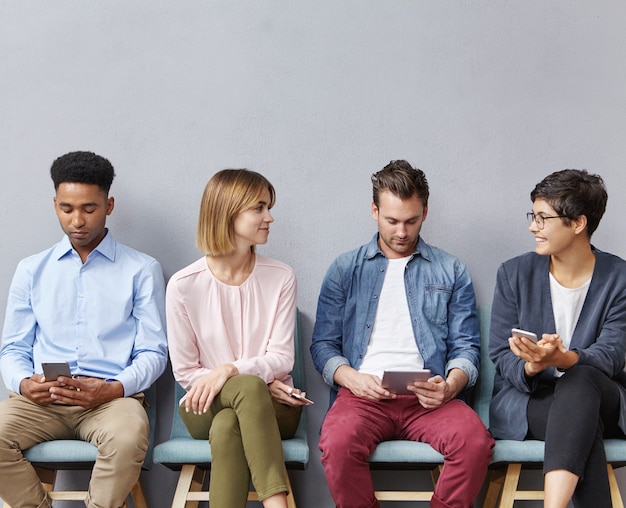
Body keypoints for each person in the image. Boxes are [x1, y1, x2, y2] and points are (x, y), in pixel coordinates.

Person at [310, 160, 494, 508]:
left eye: (411, 221)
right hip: (363, 397)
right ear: (374, 210)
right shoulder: (345, 269)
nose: (401, 232)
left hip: (430, 399)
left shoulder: (451, 270)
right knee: (336, 443)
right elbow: (322, 345)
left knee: (475, 442)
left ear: (425, 211)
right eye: (392, 220)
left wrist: (450, 385)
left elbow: (467, 348)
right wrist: (351, 378)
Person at [0, 151, 168, 508]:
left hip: (111, 401)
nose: (77, 220)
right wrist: (22, 383)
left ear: (109, 205)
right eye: (66, 208)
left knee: (126, 438)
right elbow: (12, 348)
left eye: (89, 209)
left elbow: (154, 352)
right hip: (42, 401)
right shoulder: (31, 270)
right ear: (55, 204)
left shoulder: (141, 269)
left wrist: (112, 389)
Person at [166, 168, 307, 508]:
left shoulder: (281, 277)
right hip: (203, 404)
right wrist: (254, 379)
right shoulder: (183, 285)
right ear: (228, 212)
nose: (269, 217)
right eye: (258, 208)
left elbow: (283, 358)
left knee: (230, 422)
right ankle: (277, 503)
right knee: (246, 390)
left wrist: (227, 370)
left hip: (276, 408)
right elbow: (186, 372)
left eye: (268, 207)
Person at [489, 169, 626, 508]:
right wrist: (534, 366)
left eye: (542, 218)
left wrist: (562, 359)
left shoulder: (619, 277)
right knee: (580, 421)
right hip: (531, 402)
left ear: (578, 223)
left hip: (601, 393)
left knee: (580, 380)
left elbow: (611, 355)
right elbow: (499, 354)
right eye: (532, 216)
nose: (532, 227)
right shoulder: (513, 273)